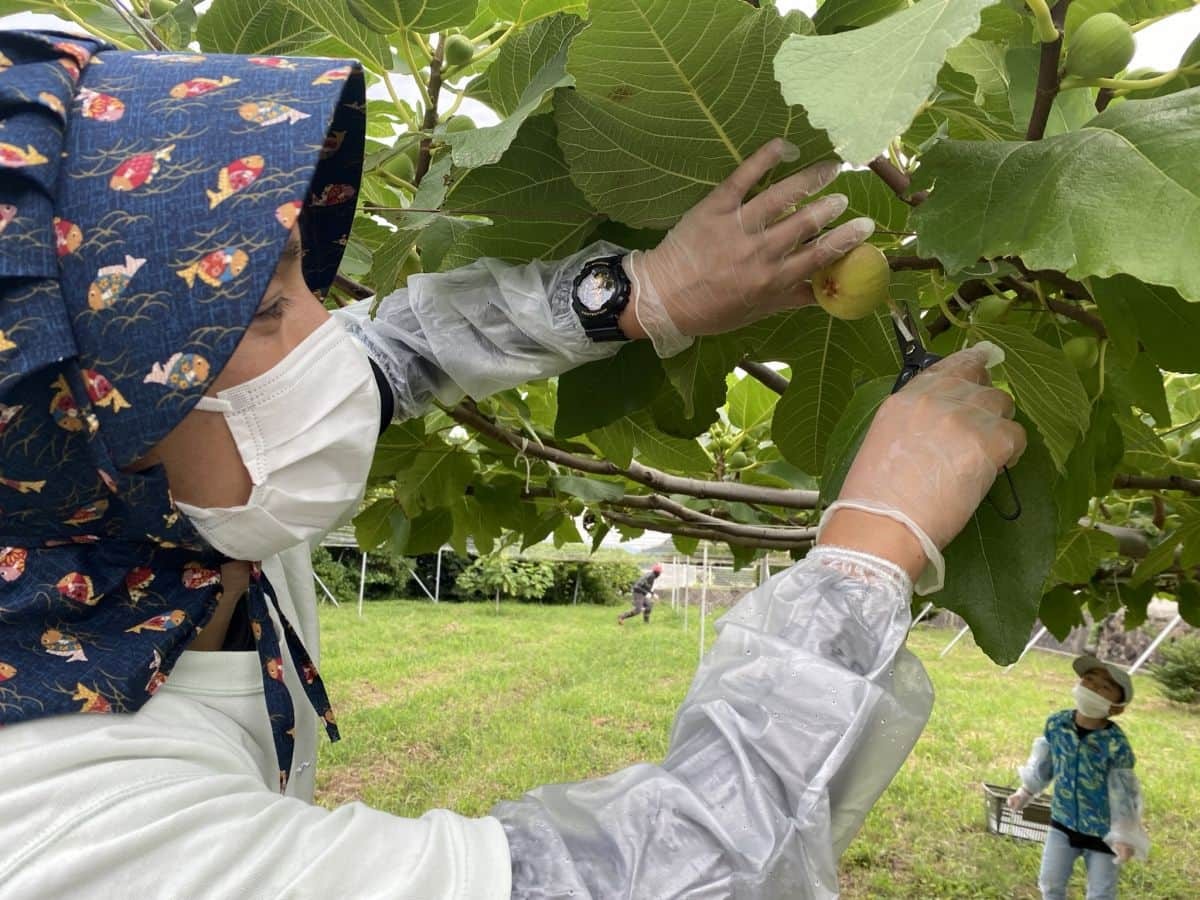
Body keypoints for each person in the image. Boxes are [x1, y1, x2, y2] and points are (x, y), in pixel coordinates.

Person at [0, 31, 1027, 899]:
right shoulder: (75, 840)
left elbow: (391, 350)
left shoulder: (132, 496)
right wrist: (872, 548)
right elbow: (687, 873)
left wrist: (648, 289)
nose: (328, 331)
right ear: (101, 410)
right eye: (265, 312)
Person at [1006, 655, 1150, 900]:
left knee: (1102, 892)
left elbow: (1123, 792)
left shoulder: (1115, 744)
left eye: (1105, 687)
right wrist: (1025, 792)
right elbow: (1044, 764)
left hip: (1103, 833)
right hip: (1062, 823)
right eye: (1089, 679)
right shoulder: (1057, 725)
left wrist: (1125, 834)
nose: (1093, 687)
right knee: (1050, 882)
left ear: (1116, 707)